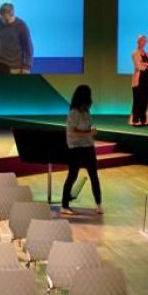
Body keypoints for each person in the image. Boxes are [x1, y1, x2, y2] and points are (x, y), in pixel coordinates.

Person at [62, 84, 102, 216]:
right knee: (72, 175)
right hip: (75, 147)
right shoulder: (73, 113)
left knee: (94, 175)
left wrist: (91, 131)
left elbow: (88, 128)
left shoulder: (86, 112)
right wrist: (89, 133)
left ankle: (99, 203)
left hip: (88, 146)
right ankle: (64, 205)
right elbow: (73, 131)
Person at [0, 2, 33, 74]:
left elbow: (28, 48)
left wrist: (27, 67)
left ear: (13, 14)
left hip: (16, 67)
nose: (7, 22)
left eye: (9, 19)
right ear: (1, 15)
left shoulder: (21, 25)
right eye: (4, 20)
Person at [129, 34, 148, 126]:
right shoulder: (135, 53)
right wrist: (147, 65)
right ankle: (135, 120)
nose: (143, 42)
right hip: (139, 78)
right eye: (142, 40)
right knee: (138, 100)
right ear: (138, 41)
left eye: (145, 41)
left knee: (145, 100)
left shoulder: (147, 54)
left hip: (147, 78)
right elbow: (138, 66)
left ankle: (143, 119)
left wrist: (145, 64)